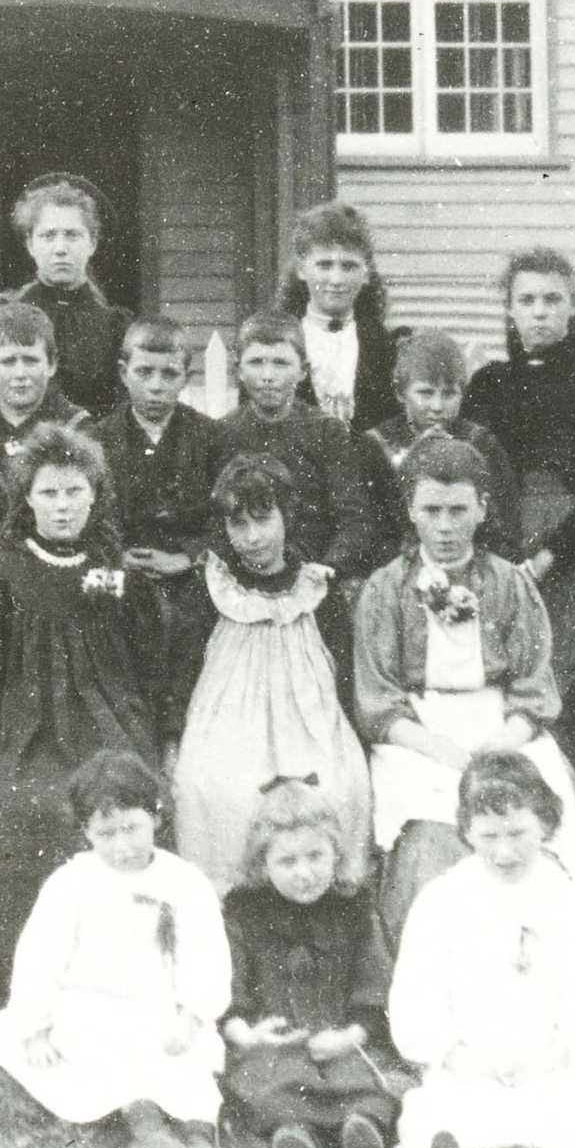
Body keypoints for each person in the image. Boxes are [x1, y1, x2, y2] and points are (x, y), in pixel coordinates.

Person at [354, 438, 575, 993]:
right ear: (411, 510)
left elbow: (534, 689)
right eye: (431, 511)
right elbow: (377, 699)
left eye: (458, 511)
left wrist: (501, 741)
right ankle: (448, 982)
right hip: (417, 732)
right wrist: (440, 750)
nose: (445, 527)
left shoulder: (511, 584)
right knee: (431, 823)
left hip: (502, 724)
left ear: (483, 509)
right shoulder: (385, 589)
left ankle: (544, 977)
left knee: (546, 811)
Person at [0, 423, 168, 991]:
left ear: (95, 495)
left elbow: (149, 673)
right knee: (14, 808)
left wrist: (158, 745)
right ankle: (23, 974)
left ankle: (115, 972)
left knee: (114, 804)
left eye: (75, 492)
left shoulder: (121, 572)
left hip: (108, 725)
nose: (63, 506)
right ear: (26, 499)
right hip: (24, 729)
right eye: (48, 493)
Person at [0, 749, 236, 1148]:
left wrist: (191, 1014)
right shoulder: (72, 883)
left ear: (156, 818)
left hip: (164, 1004)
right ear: (86, 832)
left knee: (187, 1061)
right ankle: (152, 1140)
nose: (122, 845)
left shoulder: (185, 882)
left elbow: (206, 954)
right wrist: (34, 1027)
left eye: (132, 828)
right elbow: (40, 956)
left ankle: (201, 1143)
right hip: (92, 1002)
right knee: (115, 1056)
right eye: (106, 834)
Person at [386, 750, 575, 1148]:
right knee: (437, 1116)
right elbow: (416, 1000)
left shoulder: (570, 903)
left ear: (546, 824)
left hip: (552, 1066)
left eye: (518, 834)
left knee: (570, 1118)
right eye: (488, 836)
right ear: (466, 831)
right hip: (470, 1063)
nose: (504, 852)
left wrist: (550, 1057)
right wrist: (459, 1055)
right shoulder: (442, 900)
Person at [460, 249, 575, 795]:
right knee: (514, 678)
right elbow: (478, 478)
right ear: (510, 311)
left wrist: (550, 554)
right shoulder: (489, 386)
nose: (539, 312)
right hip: (508, 549)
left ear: (573, 307)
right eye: (527, 301)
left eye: (552, 300)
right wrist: (509, 557)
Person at [171, 454, 372, 892]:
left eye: (263, 520)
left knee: (341, 784)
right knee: (212, 788)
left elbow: (341, 678)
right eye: (237, 525)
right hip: (226, 727)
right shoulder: (210, 590)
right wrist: (173, 739)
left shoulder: (317, 588)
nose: (252, 537)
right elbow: (181, 674)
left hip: (311, 722)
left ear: (288, 515)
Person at [220, 776, 402, 1148]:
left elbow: (375, 983)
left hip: (343, 1036)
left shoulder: (354, 907)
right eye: (288, 862)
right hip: (276, 1040)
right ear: (262, 864)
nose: (304, 873)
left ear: (336, 854)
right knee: (276, 1082)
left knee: (367, 1085)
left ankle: (365, 1145)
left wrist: (352, 1035)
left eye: (316, 856)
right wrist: (247, 1034)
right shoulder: (243, 913)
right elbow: (230, 989)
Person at [208, 311, 386, 704]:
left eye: (281, 362)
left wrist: (327, 566)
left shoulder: (326, 432)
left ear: (303, 370)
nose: (268, 375)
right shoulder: (223, 434)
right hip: (244, 579)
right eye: (256, 362)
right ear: (238, 369)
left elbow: (354, 517)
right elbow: (217, 516)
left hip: (311, 577)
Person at [95, 316, 221, 734]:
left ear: (186, 377)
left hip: (188, 576)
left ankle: (180, 731)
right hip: (121, 571)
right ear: (123, 373)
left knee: (194, 624)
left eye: (169, 374)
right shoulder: (100, 440)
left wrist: (186, 557)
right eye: (144, 372)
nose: (155, 386)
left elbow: (226, 517)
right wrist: (116, 555)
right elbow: (89, 517)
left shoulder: (210, 438)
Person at [0, 173, 127, 417]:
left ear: (92, 243)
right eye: (48, 235)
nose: (61, 249)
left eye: (73, 235)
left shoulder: (115, 328)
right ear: (31, 244)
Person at [355, 330, 522, 556]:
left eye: (449, 394)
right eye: (425, 393)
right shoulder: (376, 445)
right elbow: (370, 529)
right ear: (400, 393)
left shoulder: (480, 443)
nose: (437, 406)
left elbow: (504, 528)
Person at [0, 300, 88, 555]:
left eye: (31, 360)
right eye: (8, 361)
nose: (20, 373)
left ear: (51, 364)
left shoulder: (77, 428)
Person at [277, 200, 400, 431]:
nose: (336, 280)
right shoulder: (278, 341)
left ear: (366, 274)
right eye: (324, 265)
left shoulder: (383, 346)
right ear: (302, 270)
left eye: (349, 266)